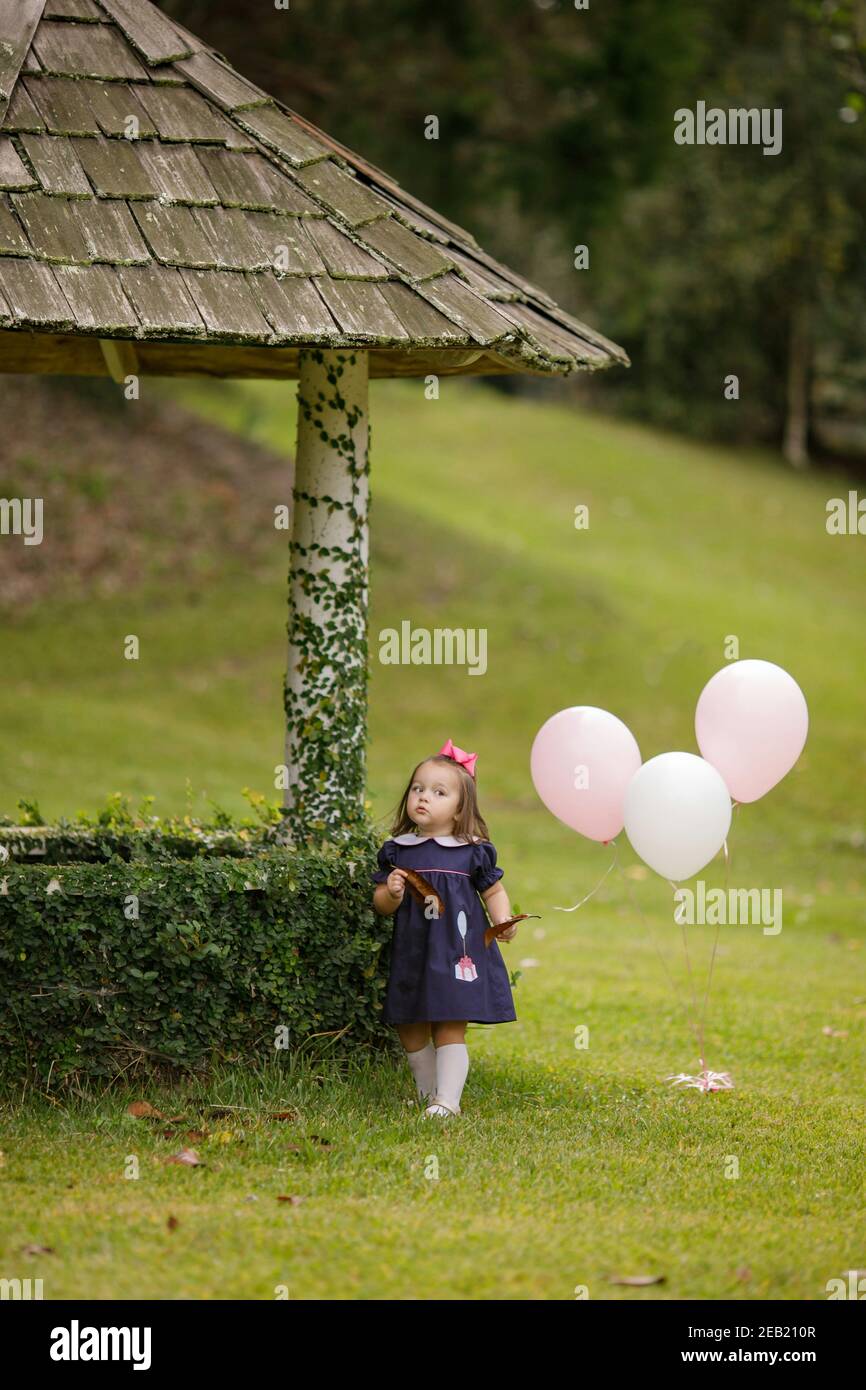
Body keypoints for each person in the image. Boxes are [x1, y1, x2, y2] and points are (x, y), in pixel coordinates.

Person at [370, 738, 519, 1119]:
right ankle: (427, 1094)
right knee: (409, 1024)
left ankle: (448, 1101)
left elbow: (494, 890)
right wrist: (392, 892)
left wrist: (502, 919)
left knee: (450, 1023)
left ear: (459, 809)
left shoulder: (471, 850)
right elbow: (381, 906)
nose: (424, 797)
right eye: (418, 789)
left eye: (438, 792)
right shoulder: (398, 850)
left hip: (458, 951)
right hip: (414, 951)